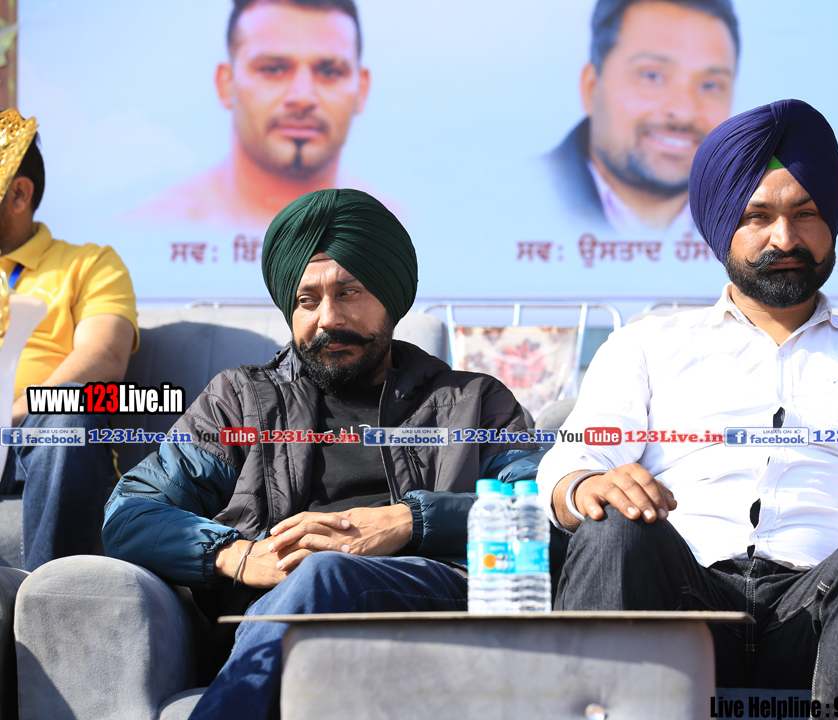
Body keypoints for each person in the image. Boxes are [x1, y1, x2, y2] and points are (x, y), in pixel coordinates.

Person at [537, 99, 838, 697]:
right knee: (614, 526)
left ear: (832, 223)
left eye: (806, 213)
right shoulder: (647, 344)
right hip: (684, 595)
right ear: (722, 226)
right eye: (758, 217)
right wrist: (586, 486)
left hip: (830, 605)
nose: (786, 238)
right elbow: (570, 465)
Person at [104, 189, 540, 720]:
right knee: (313, 576)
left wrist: (409, 522)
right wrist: (237, 556)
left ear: (391, 298)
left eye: (349, 293)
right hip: (278, 613)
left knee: (323, 573)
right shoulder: (240, 401)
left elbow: (539, 509)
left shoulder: (472, 402)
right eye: (307, 301)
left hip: (430, 603)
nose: (328, 319)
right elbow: (131, 512)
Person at [0, 109, 139, 571]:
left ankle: (48, 597)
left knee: (69, 411)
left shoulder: (88, 264)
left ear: (19, 194)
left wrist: (12, 412)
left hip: (31, 438)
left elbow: (105, 354)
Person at [129, 0, 386, 228]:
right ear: (226, 84)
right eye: (273, 69)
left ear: (362, 90)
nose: (302, 97)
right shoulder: (153, 228)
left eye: (329, 72)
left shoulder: (392, 231)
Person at [544, 0, 739, 236]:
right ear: (591, 89)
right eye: (651, 76)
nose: (684, 111)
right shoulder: (512, 202)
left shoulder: (762, 217)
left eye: (710, 85)